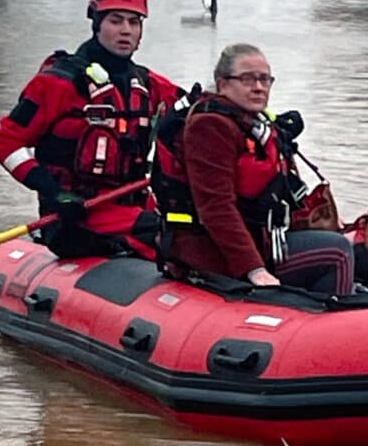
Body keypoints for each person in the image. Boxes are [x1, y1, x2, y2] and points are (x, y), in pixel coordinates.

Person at [0, 0, 183, 260]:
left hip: (134, 207)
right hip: (76, 215)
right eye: (115, 21)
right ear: (97, 23)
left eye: (134, 22)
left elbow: (201, 114)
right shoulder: (57, 82)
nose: (126, 30)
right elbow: (5, 142)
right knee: (168, 237)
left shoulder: (149, 85)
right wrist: (54, 192)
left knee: (191, 228)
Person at [152, 43, 354, 295]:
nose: (258, 87)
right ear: (223, 84)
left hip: (264, 237)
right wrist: (253, 269)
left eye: (264, 79)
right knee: (337, 252)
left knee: (354, 248)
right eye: (247, 79)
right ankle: (332, 323)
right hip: (212, 251)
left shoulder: (254, 123)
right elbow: (216, 207)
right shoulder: (210, 126)